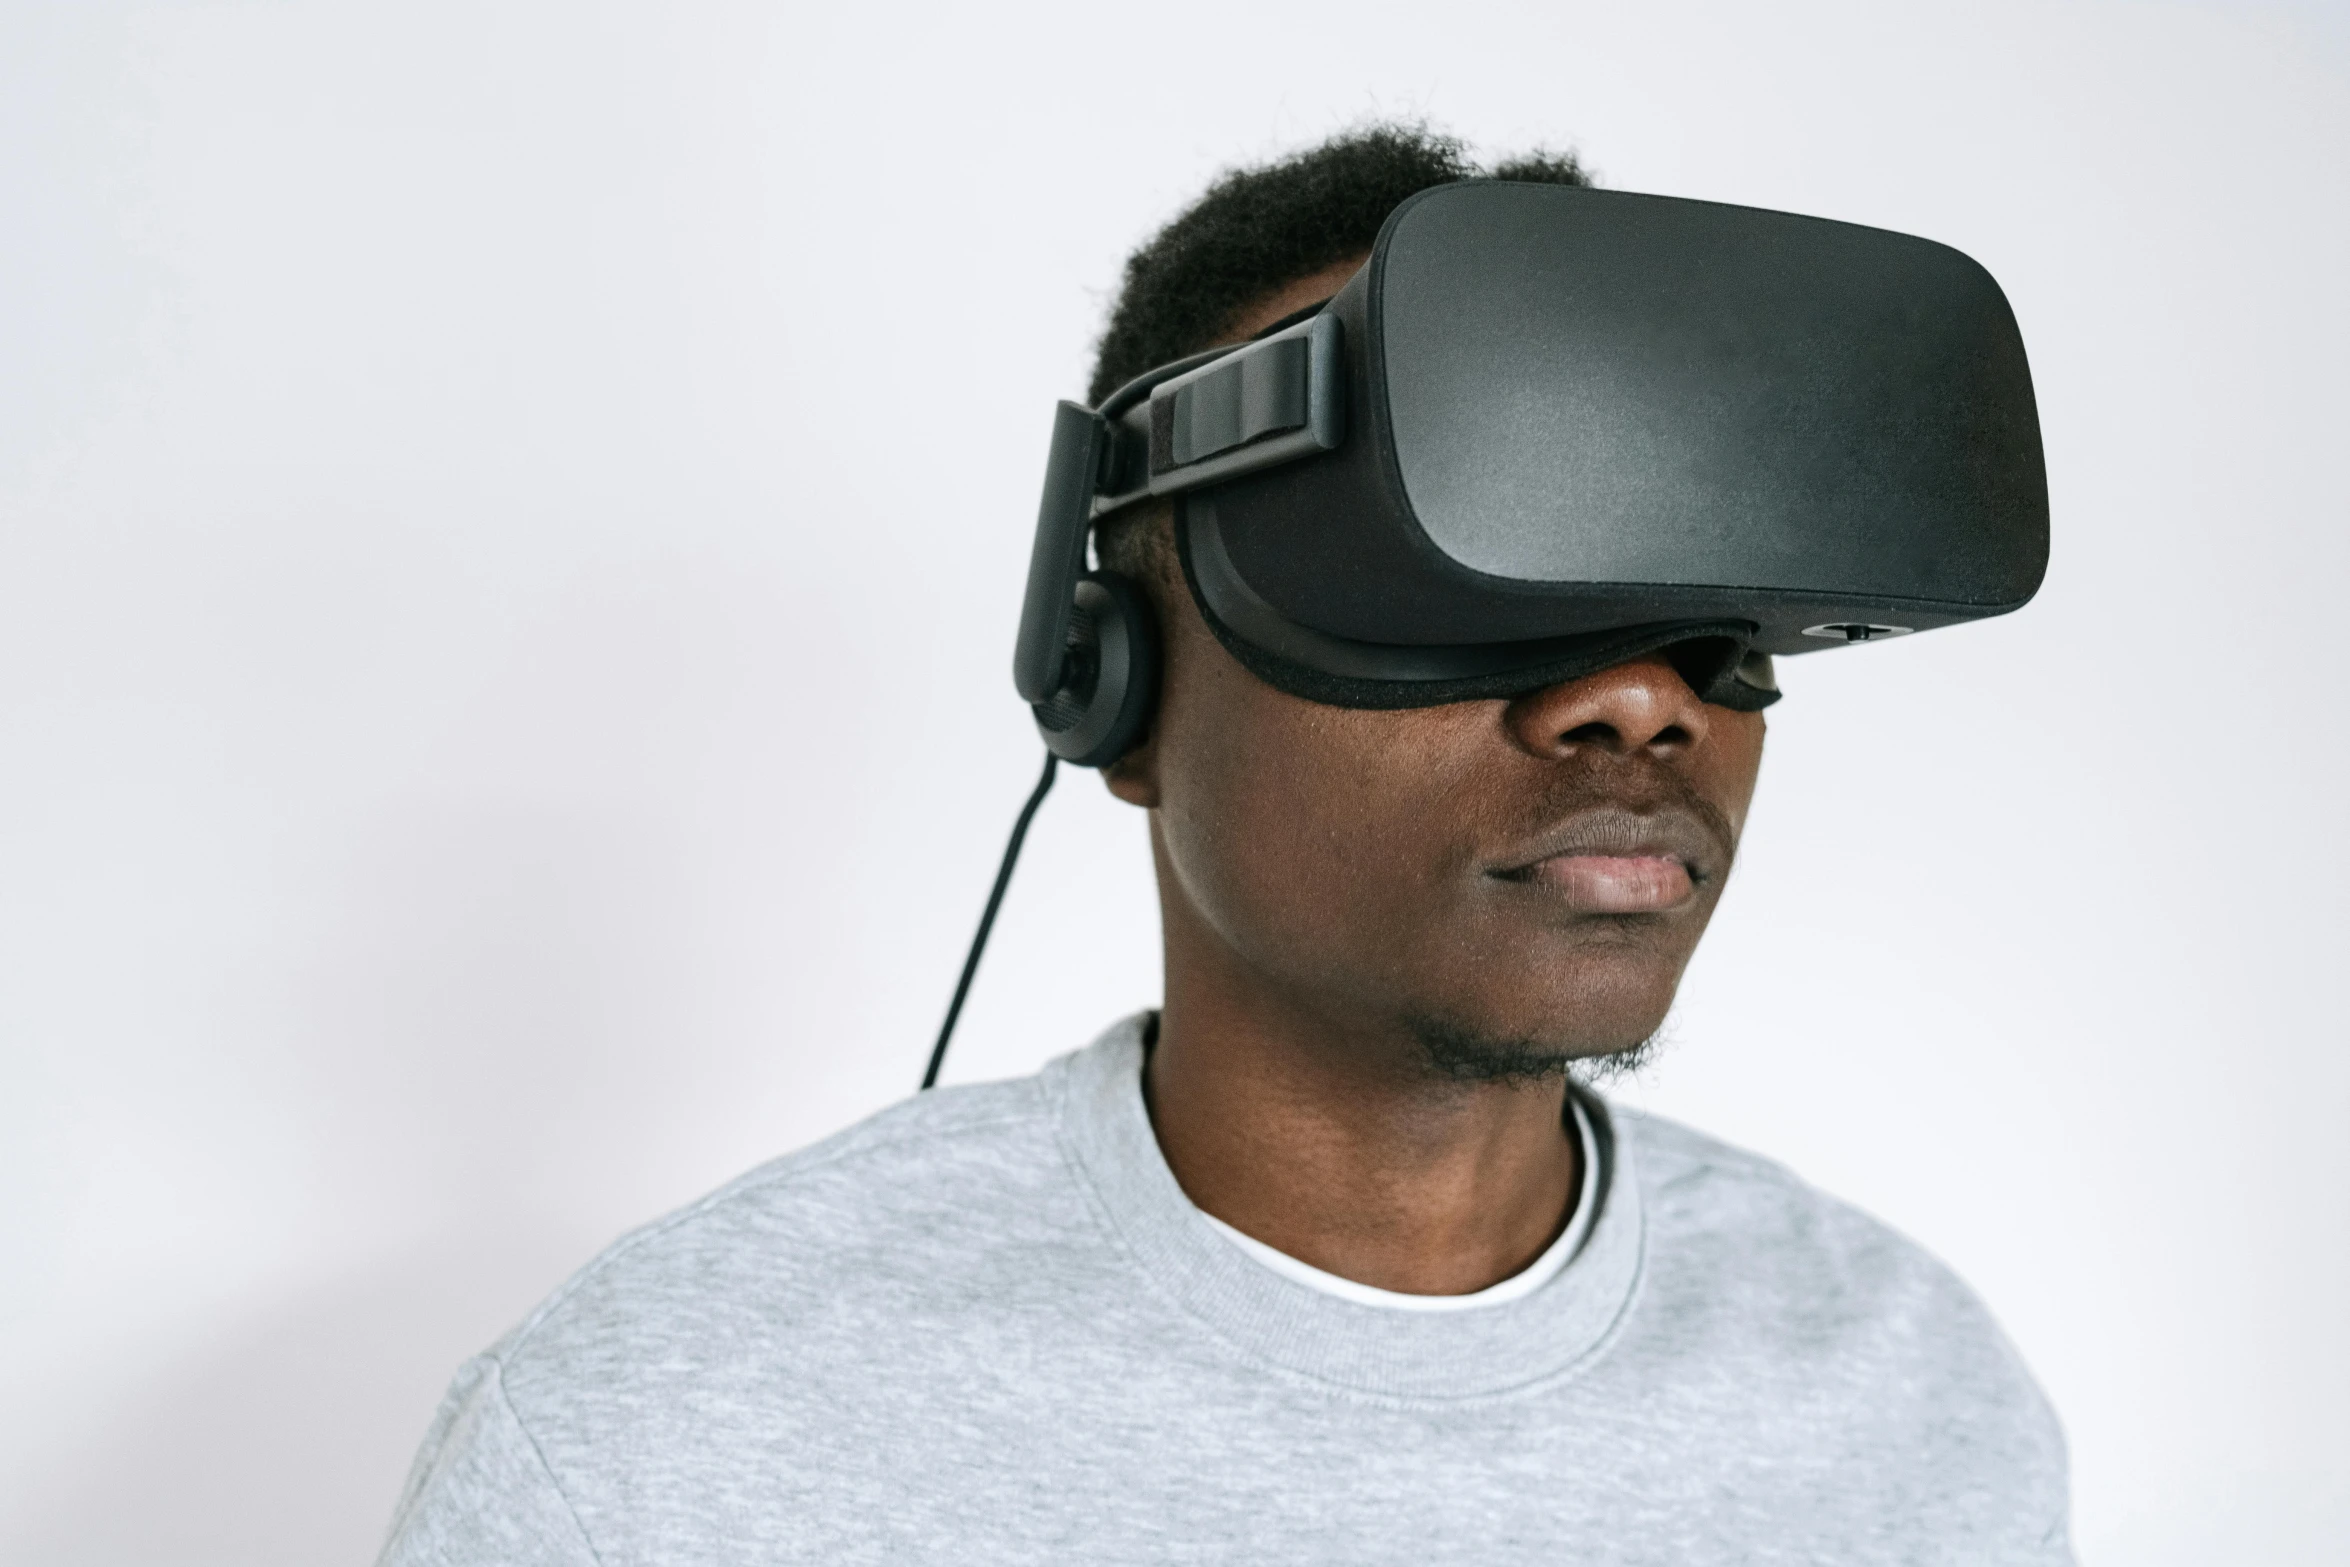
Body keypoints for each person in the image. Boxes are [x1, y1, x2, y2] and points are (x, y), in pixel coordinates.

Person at [379, 125, 2070, 1565]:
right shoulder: (666, 1434)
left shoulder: (1916, 1407)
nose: (1633, 697)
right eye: (1432, 577)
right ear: (1106, 676)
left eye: (1704, 609)